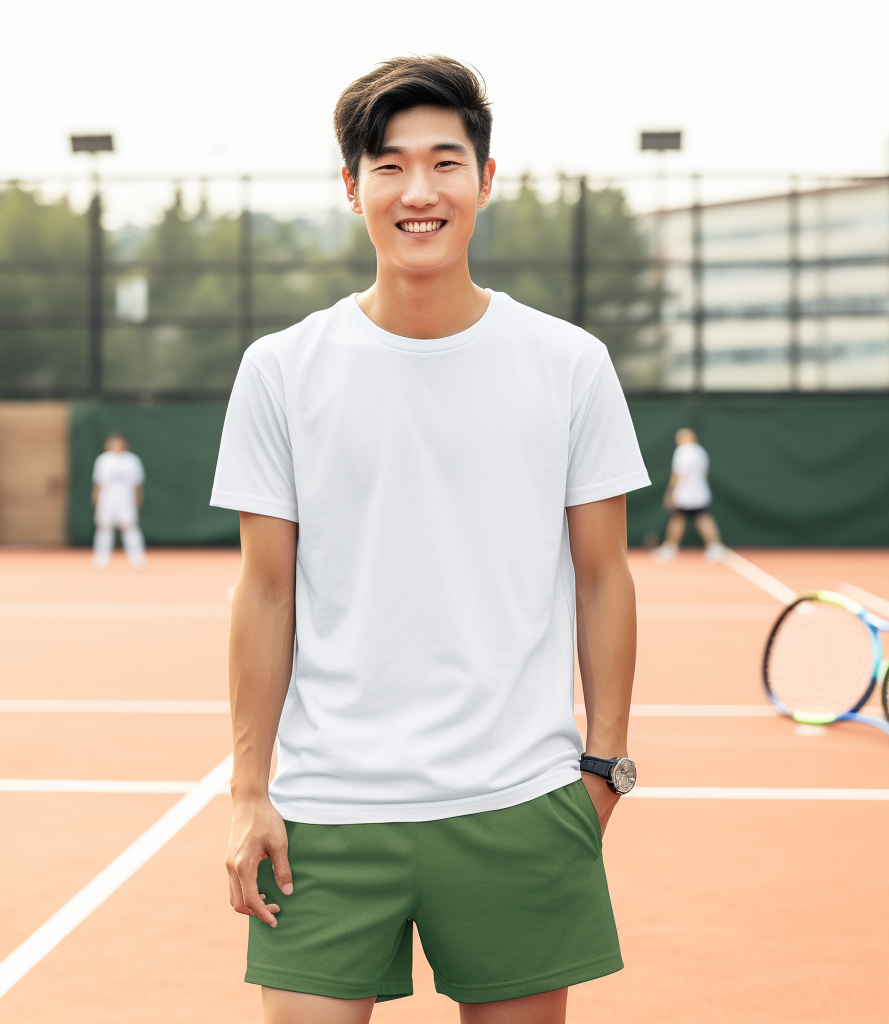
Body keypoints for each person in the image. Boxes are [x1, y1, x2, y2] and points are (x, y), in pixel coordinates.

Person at [211, 56, 649, 1024]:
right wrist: (250, 790)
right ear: (351, 187)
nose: (418, 191)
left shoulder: (569, 363)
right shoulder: (281, 369)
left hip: (519, 802)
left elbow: (603, 577)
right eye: (388, 165)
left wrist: (604, 765)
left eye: (445, 163)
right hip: (325, 813)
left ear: (485, 181)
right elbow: (265, 592)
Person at [653, 427, 725, 562]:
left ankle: (670, 548)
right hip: (699, 494)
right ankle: (715, 547)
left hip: (685, 495)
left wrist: (671, 493)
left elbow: (678, 474)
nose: (678, 441)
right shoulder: (700, 451)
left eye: (680, 438)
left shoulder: (682, 451)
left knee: (679, 518)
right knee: (700, 518)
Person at [91, 432, 146, 570]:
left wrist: (138, 500)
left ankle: (137, 560)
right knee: (104, 528)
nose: (116, 445)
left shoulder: (132, 460)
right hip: (107, 499)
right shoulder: (102, 460)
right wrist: (96, 500)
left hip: (126, 499)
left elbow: (137, 485)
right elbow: (98, 484)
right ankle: (101, 561)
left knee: (130, 527)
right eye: (113, 442)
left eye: (119, 442)